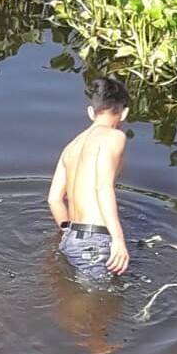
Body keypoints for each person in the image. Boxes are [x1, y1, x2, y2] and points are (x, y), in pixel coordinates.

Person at [47, 78, 131, 280]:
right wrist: (118, 239)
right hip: (96, 240)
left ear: (91, 112)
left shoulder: (71, 146)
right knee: (98, 299)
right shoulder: (115, 137)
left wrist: (68, 231)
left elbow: (54, 199)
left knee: (81, 294)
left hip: (71, 238)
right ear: (124, 113)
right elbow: (103, 187)